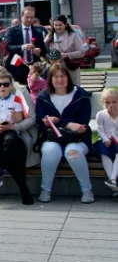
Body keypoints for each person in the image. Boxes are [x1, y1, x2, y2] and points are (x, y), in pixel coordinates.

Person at [35, 62, 93, 203]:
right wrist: (66, 123)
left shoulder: (81, 95)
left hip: (77, 138)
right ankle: (46, 189)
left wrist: (63, 122)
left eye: (63, 76)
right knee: (50, 151)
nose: (60, 80)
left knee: (72, 152)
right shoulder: (43, 97)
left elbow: (83, 121)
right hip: (52, 138)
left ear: (68, 77)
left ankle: (87, 190)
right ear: (50, 79)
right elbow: (39, 121)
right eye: (55, 77)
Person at [0, 68, 35, 205]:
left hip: (17, 132)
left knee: (12, 146)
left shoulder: (19, 93)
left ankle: (4, 178)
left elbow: (30, 118)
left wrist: (13, 125)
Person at [3, 6, 47, 85]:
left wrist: (39, 51)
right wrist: (22, 47)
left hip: (33, 69)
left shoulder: (38, 32)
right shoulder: (12, 31)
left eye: (32, 17)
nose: (29, 20)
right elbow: (8, 47)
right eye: (27, 17)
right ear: (22, 17)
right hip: (16, 67)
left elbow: (44, 50)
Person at [45, 15, 83, 87]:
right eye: (55, 25)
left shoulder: (73, 36)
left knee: (72, 88)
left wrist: (67, 55)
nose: (58, 27)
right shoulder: (50, 36)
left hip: (70, 68)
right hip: (56, 69)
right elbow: (44, 51)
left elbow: (81, 52)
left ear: (65, 25)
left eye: (60, 25)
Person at [94, 88, 118, 195]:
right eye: (107, 102)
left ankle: (113, 179)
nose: (111, 105)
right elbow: (100, 129)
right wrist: (105, 139)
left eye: (114, 102)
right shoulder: (100, 114)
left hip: (116, 141)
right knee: (104, 153)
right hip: (105, 141)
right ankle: (112, 181)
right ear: (102, 103)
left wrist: (113, 117)